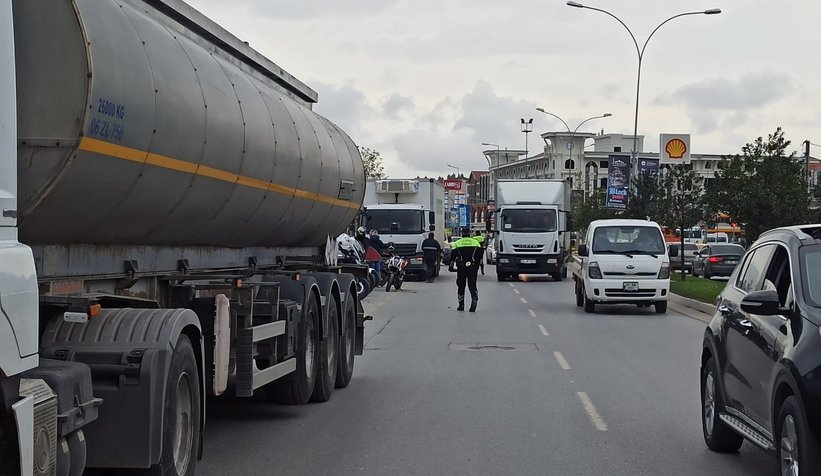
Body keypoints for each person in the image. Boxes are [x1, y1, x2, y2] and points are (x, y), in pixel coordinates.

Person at [451, 227, 482, 312]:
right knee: (472, 285)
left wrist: (451, 266)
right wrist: (477, 265)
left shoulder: (457, 243)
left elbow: (453, 256)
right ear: (470, 233)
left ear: (462, 233)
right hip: (472, 267)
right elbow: (480, 256)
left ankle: (461, 305)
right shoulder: (476, 243)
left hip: (461, 267)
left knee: (461, 286)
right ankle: (474, 298)